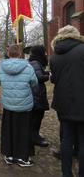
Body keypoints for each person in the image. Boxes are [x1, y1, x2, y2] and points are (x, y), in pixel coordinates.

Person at [50, 25, 84, 177]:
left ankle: (66, 173)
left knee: (66, 138)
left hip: (63, 102)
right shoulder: (82, 49)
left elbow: (54, 79)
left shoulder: (55, 55)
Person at [0, 44, 38, 167]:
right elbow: (34, 82)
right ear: (20, 54)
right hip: (24, 104)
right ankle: (22, 157)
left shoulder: (1, 66)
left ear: (8, 53)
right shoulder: (28, 66)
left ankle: (9, 155)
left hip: (9, 104)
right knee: (23, 130)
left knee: (8, 130)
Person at [28, 45, 50, 147]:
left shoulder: (35, 62)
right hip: (36, 94)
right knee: (36, 117)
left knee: (37, 117)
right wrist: (48, 76)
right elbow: (38, 78)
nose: (46, 53)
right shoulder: (35, 63)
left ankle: (35, 135)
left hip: (36, 93)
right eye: (44, 51)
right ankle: (34, 137)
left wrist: (46, 72)